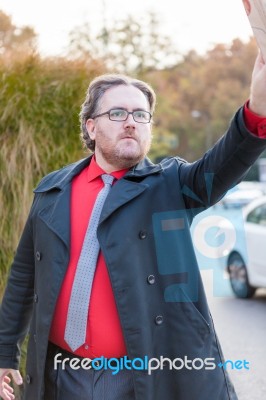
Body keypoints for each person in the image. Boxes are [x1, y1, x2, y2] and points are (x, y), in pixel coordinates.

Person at [1, 53, 266, 400]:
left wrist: (257, 108)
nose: (131, 122)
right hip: (59, 375)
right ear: (91, 127)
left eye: (141, 115)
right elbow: (23, 277)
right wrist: (5, 352)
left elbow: (224, 163)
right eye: (118, 113)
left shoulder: (170, 185)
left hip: (136, 378)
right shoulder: (53, 190)